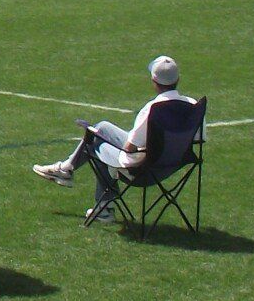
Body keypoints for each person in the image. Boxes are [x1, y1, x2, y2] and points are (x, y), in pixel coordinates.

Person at [31, 56, 194, 222]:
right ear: (178, 79)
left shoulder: (153, 109)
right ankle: (71, 174)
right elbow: (198, 139)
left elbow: (130, 147)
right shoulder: (192, 105)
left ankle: (79, 182)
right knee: (102, 129)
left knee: (98, 141)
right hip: (172, 165)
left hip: (141, 168)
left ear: (154, 81)